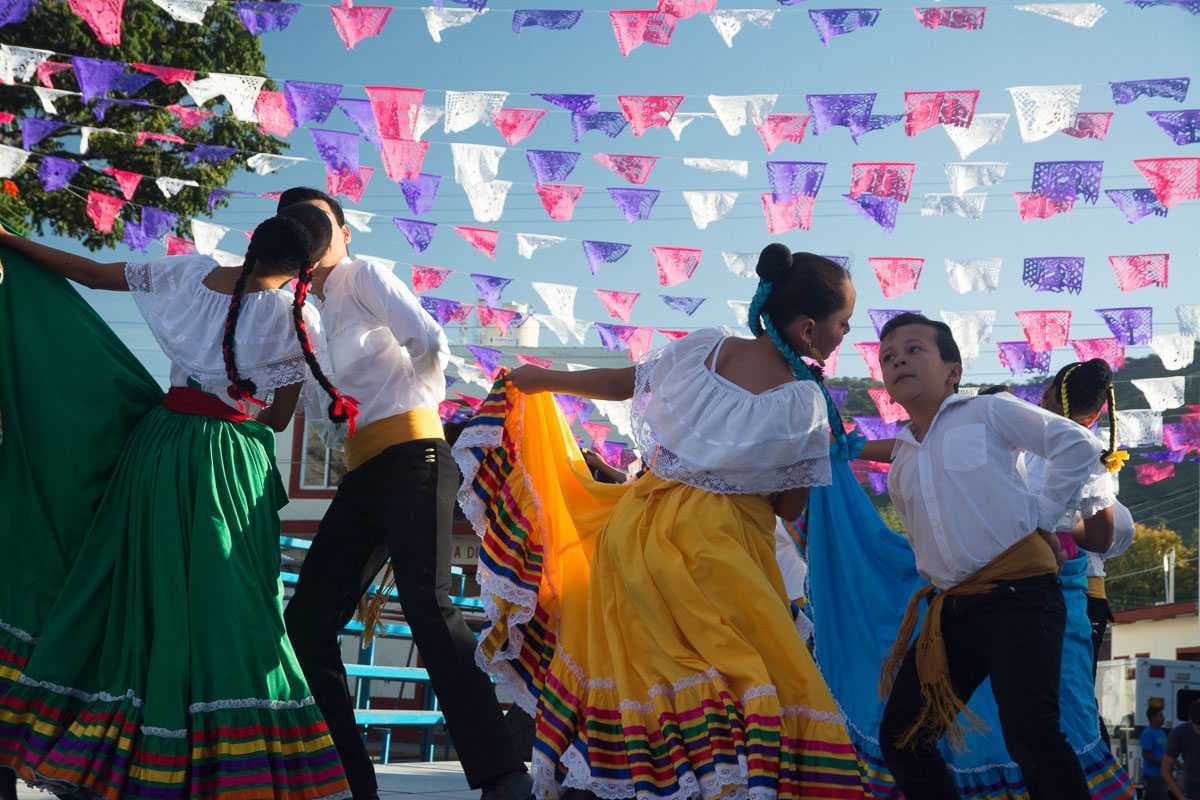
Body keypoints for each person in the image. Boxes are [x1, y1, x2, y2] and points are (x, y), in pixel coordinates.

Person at [453, 244, 865, 799]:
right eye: (844, 323)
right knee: (741, 681)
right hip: (718, 553)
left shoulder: (705, 349)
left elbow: (627, 380)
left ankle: (632, 776)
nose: (845, 335)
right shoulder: (801, 403)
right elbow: (787, 508)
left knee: (641, 671)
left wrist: (545, 380)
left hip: (638, 532)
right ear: (810, 329)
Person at [0, 207, 352, 798]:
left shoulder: (188, 272)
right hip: (230, 463)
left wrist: (10, 238)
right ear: (307, 268)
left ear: (254, 240)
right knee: (233, 602)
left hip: (158, 450)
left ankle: (116, 743)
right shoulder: (297, 318)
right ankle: (222, 757)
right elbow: (277, 417)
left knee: (145, 592)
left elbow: (89, 273)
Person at [274, 188, 532, 800]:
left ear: (344, 232)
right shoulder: (301, 311)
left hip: (415, 454)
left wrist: (416, 410)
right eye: (297, 224)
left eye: (320, 220)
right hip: (362, 471)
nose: (311, 232)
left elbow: (430, 340)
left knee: (428, 606)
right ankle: (350, 779)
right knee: (306, 623)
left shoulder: (364, 274)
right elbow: (318, 404)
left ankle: (502, 774)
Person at [875, 313, 1104, 800]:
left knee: (1032, 735)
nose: (898, 361)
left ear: (953, 371)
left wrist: (1043, 517)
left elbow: (1076, 443)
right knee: (903, 738)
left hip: (1021, 595)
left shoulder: (987, 411)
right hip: (954, 609)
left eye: (914, 349)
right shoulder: (901, 459)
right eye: (888, 356)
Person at [1029, 359, 1137, 746]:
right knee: (1053, 700)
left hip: (1071, 588)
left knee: (1064, 702)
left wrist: (1043, 521)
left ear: (1049, 396)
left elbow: (1103, 537)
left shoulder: (1078, 452)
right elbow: (1107, 537)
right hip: (1046, 583)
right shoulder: (1050, 447)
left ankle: (1084, 772)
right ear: (1097, 412)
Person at [1165, 701, 1200, 800]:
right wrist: (1181, 797)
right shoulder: (1179, 733)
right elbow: (1166, 770)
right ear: (1191, 720)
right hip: (1192, 791)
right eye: (1198, 727)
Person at [1143, 705, 1169, 800]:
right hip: (1152, 776)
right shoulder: (1148, 733)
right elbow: (1146, 754)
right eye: (1160, 715)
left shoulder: (1161, 732)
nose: (1163, 718)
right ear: (1153, 718)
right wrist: (1163, 763)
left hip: (1162, 775)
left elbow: (1166, 751)